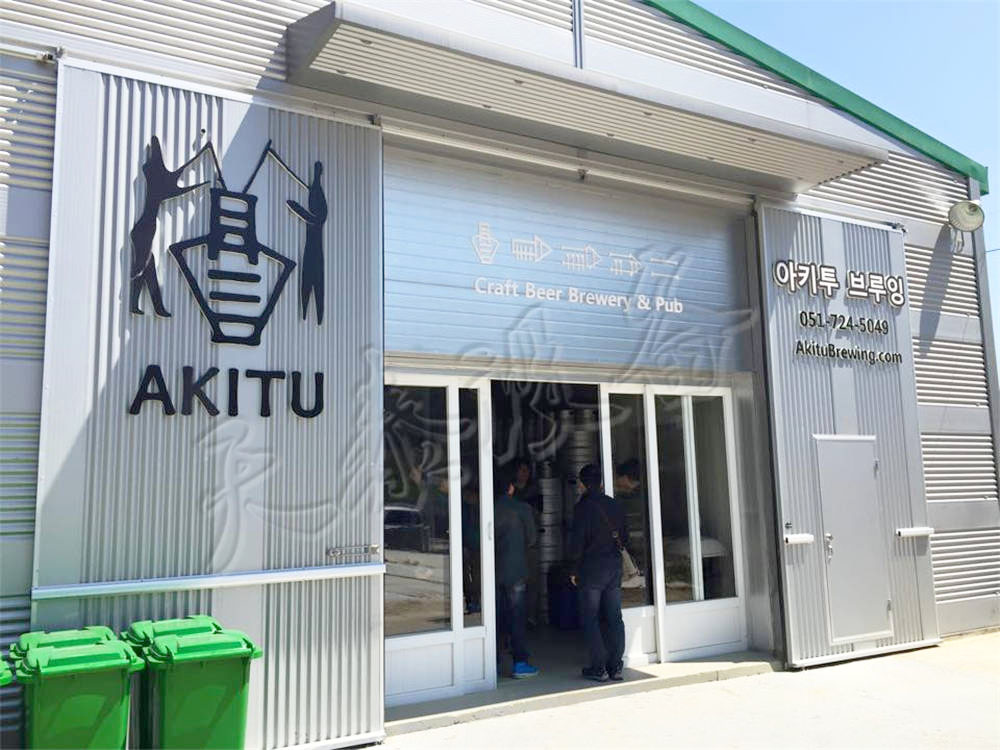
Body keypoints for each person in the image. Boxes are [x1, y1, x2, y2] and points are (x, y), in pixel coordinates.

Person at [569, 463, 630, 682]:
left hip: (591, 570)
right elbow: (625, 537)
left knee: (591, 618)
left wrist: (573, 570)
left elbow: (577, 544)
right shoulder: (615, 505)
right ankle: (616, 666)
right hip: (614, 567)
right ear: (601, 483)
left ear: (582, 484)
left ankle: (599, 668)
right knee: (614, 617)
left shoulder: (582, 508)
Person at [494, 472, 540, 679]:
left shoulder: (486, 509)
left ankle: (492, 663)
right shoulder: (522, 509)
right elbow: (532, 539)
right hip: (516, 571)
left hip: (492, 572)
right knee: (517, 617)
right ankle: (519, 663)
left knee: (494, 617)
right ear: (511, 488)